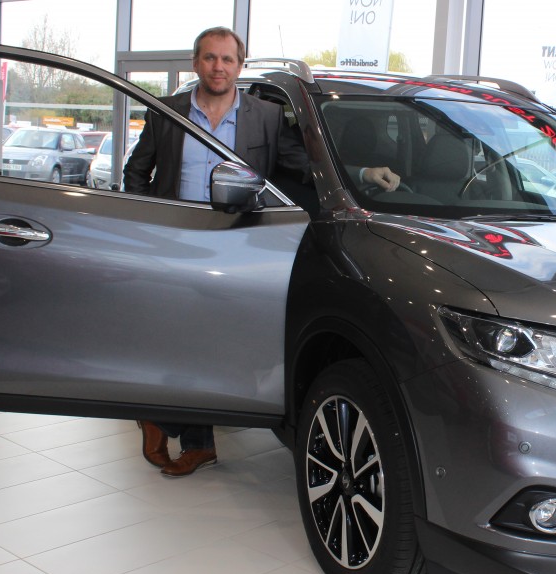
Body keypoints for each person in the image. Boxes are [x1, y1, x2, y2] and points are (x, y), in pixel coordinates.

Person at [125, 26, 400, 477]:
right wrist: (142, 226)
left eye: (227, 59)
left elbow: (306, 166)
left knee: (211, 341)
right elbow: (137, 171)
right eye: (210, 58)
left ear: (239, 65)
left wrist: (364, 173)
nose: (218, 67)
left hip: (236, 245)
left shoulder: (266, 117)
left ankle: (183, 432)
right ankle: (176, 425)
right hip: (176, 239)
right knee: (170, 334)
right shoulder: (167, 112)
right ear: (197, 63)